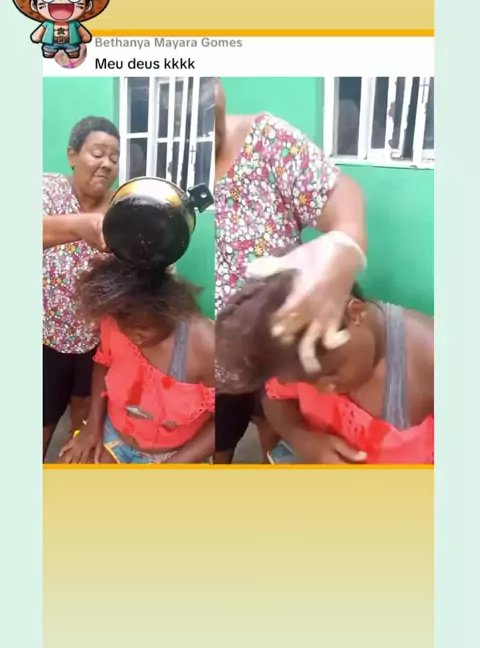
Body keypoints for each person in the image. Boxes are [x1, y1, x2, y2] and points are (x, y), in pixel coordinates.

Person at [214, 77, 368, 463]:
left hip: (279, 336)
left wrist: (345, 245)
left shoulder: (266, 140)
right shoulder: (162, 157)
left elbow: (340, 192)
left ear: (217, 84)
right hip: (208, 350)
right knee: (220, 437)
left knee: (276, 428)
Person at [216, 270, 434, 464]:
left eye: (333, 371)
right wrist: (305, 440)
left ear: (356, 313)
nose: (324, 389)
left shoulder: (430, 363)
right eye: (308, 382)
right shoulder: (291, 350)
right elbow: (275, 399)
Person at [59, 256, 215, 464]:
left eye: (143, 329)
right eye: (125, 327)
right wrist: (92, 427)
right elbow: (103, 365)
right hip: (114, 436)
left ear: (168, 311)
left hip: (179, 454)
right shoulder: (116, 319)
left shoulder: (206, 346)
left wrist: (171, 468)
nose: (133, 336)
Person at [43, 116, 120, 459]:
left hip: (97, 344)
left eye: (114, 158)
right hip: (45, 339)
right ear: (72, 156)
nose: (107, 164)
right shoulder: (47, 189)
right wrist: (79, 226)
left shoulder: (121, 207)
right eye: (98, 153)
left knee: (84, 428)